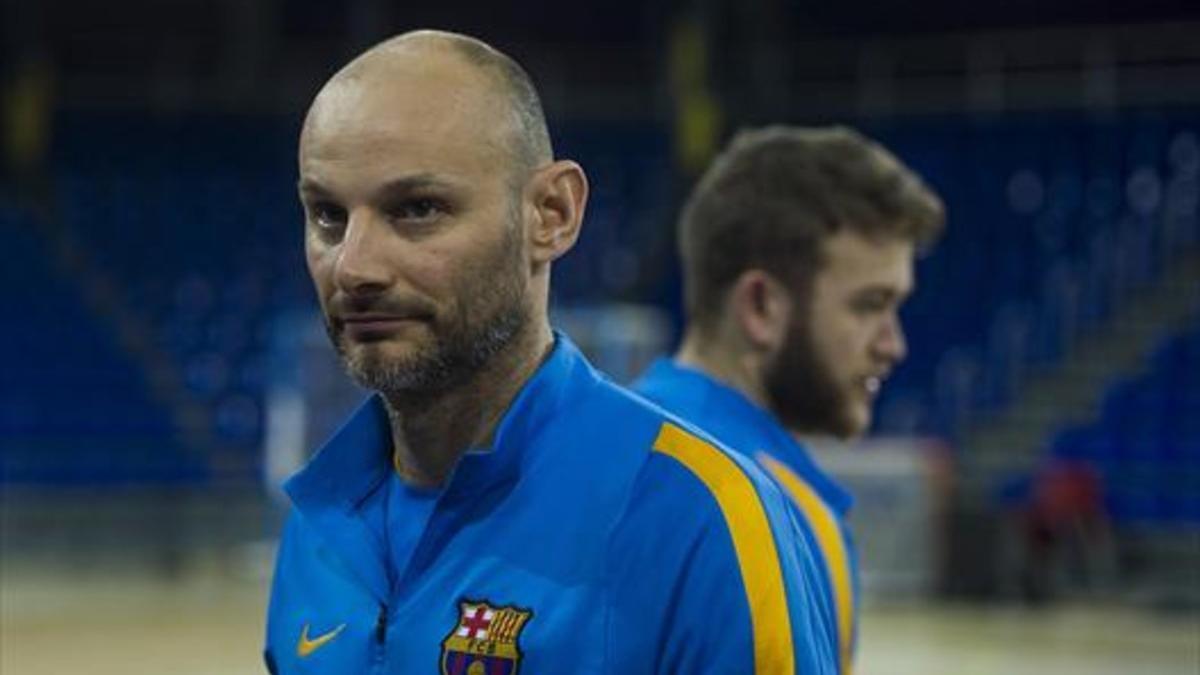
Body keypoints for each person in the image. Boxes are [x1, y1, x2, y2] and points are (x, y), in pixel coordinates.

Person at [264, 30, 837, 674]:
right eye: (327, 216)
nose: (353, 266)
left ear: (552, 213)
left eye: (418, 209)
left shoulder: (701, 521)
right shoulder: (317, 524)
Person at [634, 125, 945, 674]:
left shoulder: (592, 445)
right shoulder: (782, 519)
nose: (894, 345)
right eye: (870, 305)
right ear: (761, 307)